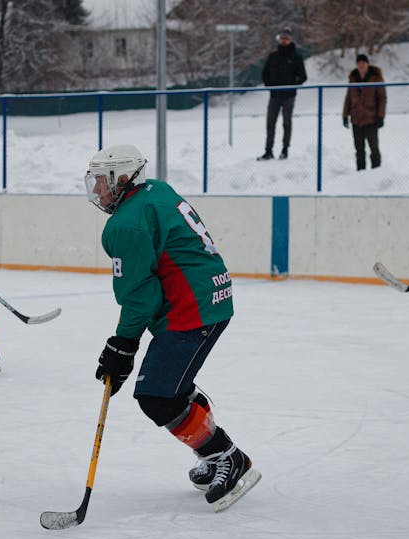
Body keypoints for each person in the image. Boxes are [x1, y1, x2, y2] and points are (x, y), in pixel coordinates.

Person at [85, 144, 261, 512]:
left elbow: (139, 296)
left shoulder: (125, 223)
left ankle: (227, 456)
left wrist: (122, 345)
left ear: (122, 178)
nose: (97, 191)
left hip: (192, 310)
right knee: (170, 387)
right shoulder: (157, 191)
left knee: (157, 395)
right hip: (210, 298)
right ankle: (215, 456)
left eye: (102, 181)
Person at [258, 27, 307, 161]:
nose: (284, 41)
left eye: (286, 38)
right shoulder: (273, 57)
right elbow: (265, 74)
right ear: (279, 40)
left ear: (290, 40)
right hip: (274, 96)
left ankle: (285, 150)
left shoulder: (296, 57)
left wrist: (292, 87)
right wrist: (270, 86)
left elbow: (302, 76)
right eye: (282, 38)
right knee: (270, 123)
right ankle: (268, 151)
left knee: (286, 123)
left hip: (288, 97)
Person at [342, 54, 387, 170]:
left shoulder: (375, 77)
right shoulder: (353, 77)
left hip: (371, 118)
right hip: (356, 119)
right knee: (359, 149)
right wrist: (345, 115)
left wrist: (380, 116)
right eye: (359, 63)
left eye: (363, 63)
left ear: (367, 64)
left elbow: (382, 98)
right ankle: (360, 172)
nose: (361, 65)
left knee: (374, 147)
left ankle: (376, 171)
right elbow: (349, 97)